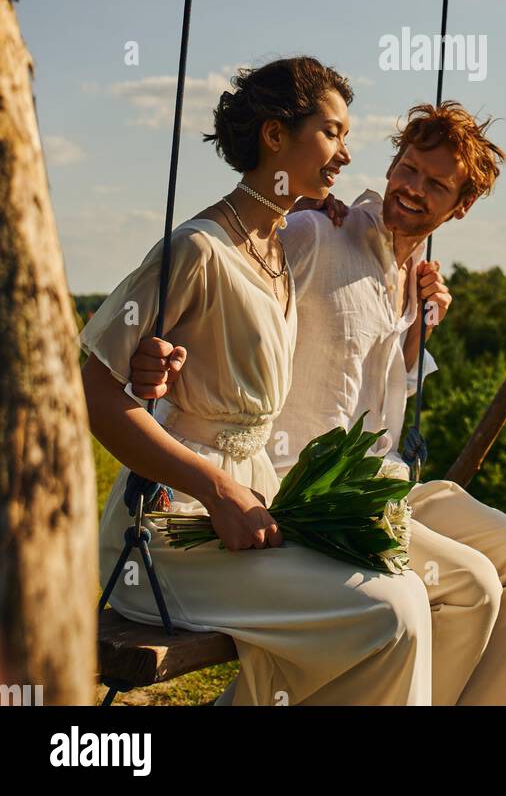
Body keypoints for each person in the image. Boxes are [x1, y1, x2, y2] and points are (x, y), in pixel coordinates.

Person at [132, 101, 506, 706]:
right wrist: (289, 209)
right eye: (408, 168)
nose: (413, 189)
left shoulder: (413, 278)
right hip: (296, 484)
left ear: (459, 207)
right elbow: (235, 285)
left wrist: (418, 335)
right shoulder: (317, 233)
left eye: (436, 185)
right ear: (392, 164)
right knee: (472, 587)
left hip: (377, 481)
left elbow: (370, 386)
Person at [81, 57, 432, 706]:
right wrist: (215, 488)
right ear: (275, 136)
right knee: (390, 614)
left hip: (257, 503)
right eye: (331, 133)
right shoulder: (198, 249)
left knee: (407, 589)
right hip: (170, 531)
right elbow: (95, 396)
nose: (345, 154)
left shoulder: (277, 253)